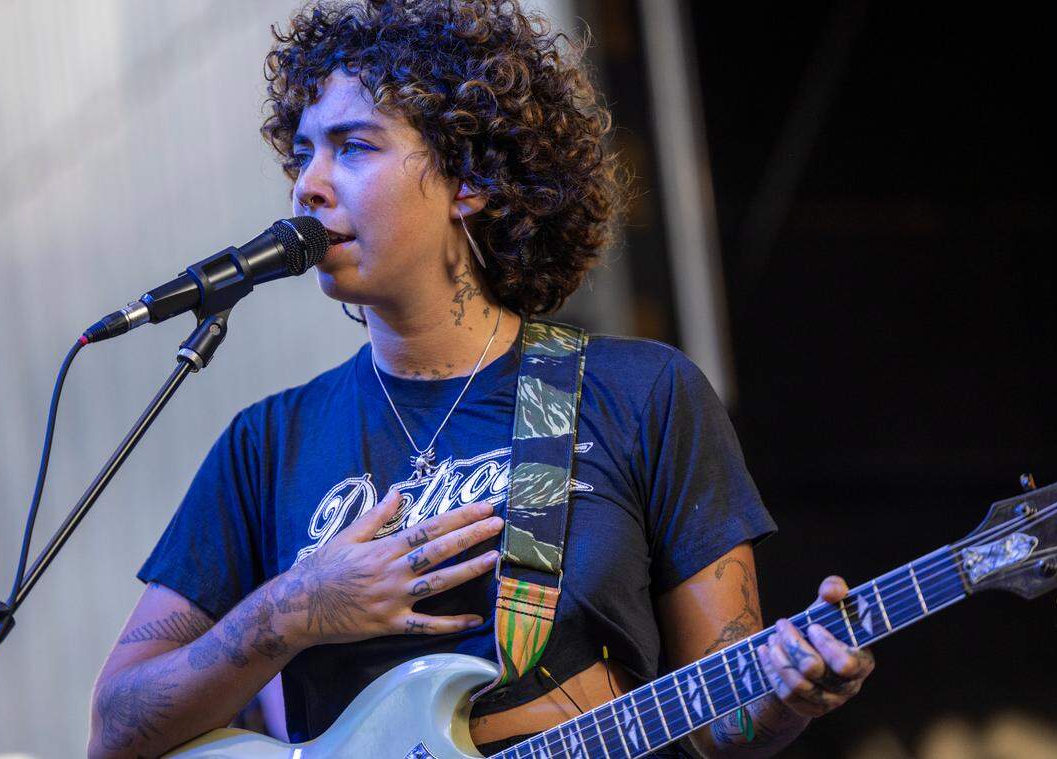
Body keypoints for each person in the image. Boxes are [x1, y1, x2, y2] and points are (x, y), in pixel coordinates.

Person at [87, 1, 874, 756]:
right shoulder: (267, 445)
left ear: (471, 180)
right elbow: (117, 730)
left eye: (353, 147)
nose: (307, 184)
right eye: (303, 153)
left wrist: (784, 696)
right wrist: (292, 608)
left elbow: (723, 724)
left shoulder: (641, 394)